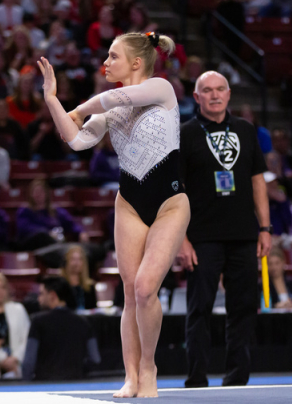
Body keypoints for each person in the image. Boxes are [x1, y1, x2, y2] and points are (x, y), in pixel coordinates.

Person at [37, 31, 190, 398]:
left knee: (145, 286)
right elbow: (76, 141)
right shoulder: (109, 110)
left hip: (170, 203)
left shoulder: (160, 90)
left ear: (136, 63)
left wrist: (79, 108)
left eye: (112, 56)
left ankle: (149, 368)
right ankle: (131, 376)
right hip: (129, 203)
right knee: (129, 293)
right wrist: (53, 101)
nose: (105, 63)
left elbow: (112, 97)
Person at [176, 70, 271, 388]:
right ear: (197, 97)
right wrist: (182, 239)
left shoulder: (245, 129)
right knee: (199, 308)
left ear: (229, 94)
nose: (215, 95)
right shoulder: (184, 134)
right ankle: (197, 377)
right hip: (201, 236)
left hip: (244, 233)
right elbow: (176, 190)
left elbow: (258, 180)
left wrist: (266, 227)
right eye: (207, 90)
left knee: (243, 308)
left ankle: (237, 378)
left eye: (220, 89)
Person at [21, 277, 101, 380]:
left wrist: (27, 385)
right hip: (76, 384)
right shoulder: (83, 322)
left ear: (53, 296)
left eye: (41, 294)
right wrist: (78, 371)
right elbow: (95, 359)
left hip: (44, 386)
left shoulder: (38, 321)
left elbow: (29, 362)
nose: (38, 299)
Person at [16, 179, 89, 250]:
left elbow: (71, 224)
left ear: (46, 193)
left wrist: (81, 232)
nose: (38, 195)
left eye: (41, 192)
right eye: (36, 192)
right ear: (31, 194)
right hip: (33, 247)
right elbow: (24, 228)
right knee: (42, 235)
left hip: (55, 246)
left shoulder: (56, 211)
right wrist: (48, 233)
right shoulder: (25, 211)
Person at [61, 245, 97, 310]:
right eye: (73, 259)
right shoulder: (61, 285)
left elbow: (93, 309)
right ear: (66, 262)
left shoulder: (90, 286)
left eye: (79, 259)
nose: (76, 263)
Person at [265, 171, 292, 237]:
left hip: (282, 238)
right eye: (270, 184)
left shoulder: (281, 201)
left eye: (275, 182)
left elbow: (289, 222)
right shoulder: (255, 203)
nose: (274, 185)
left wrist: (283, 203)